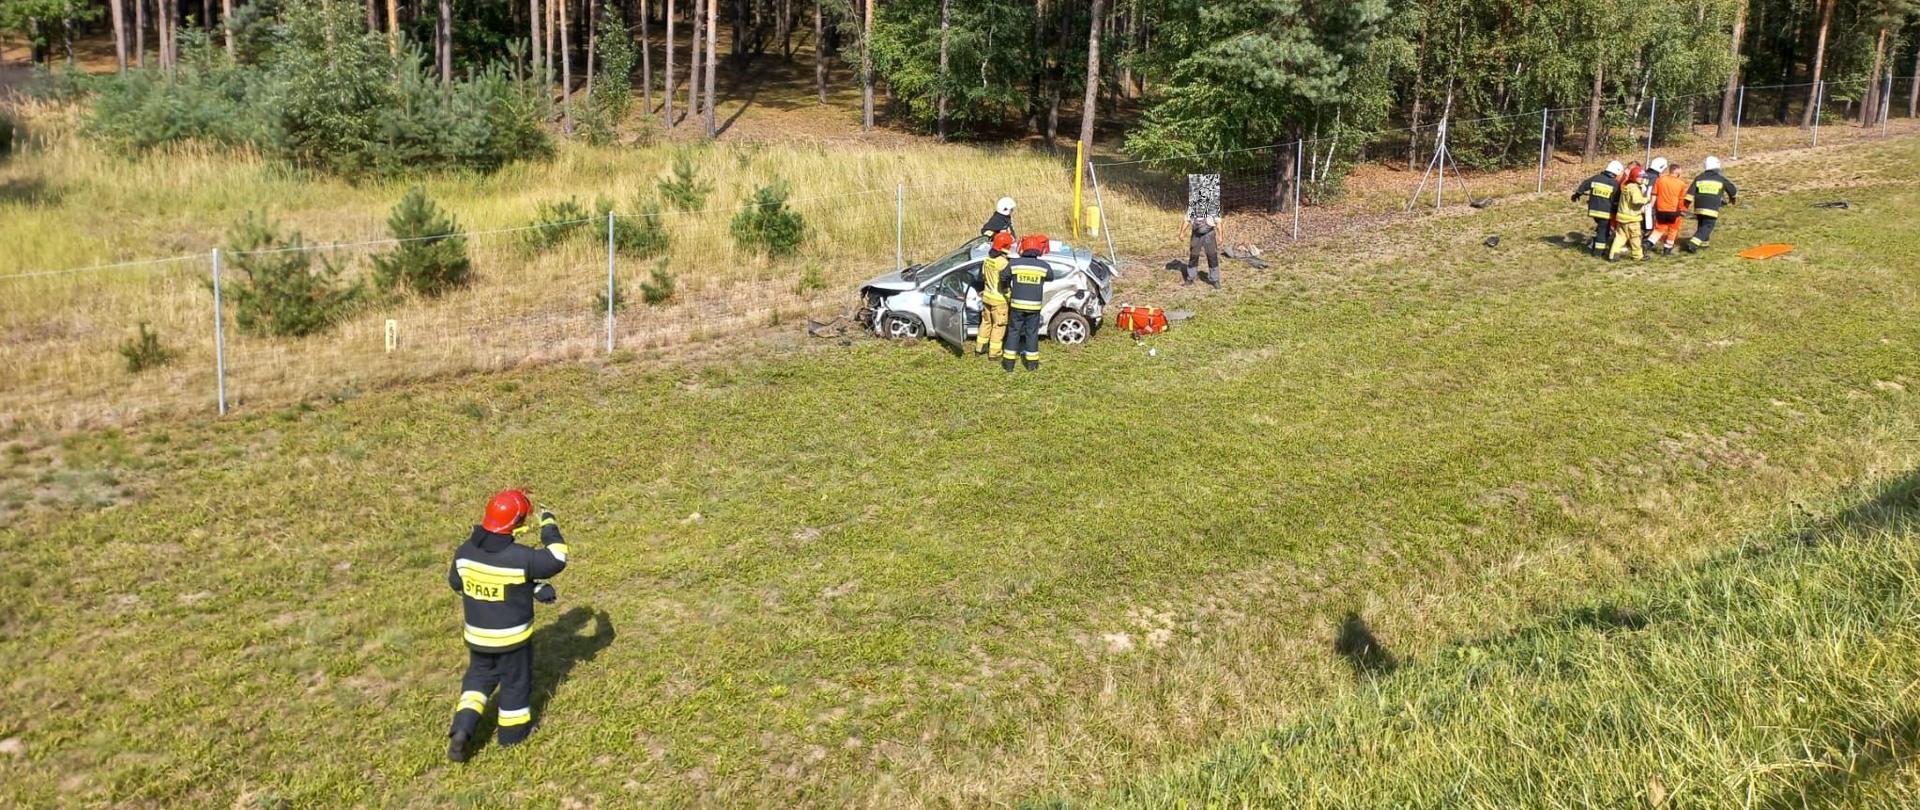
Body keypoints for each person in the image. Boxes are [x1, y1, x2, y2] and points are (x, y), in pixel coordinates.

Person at [446, 489, 571, 762]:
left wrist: (531, 587)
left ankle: (462, 729)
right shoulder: (519, 557)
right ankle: (513, 736)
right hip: (511, 640)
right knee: (515, 684)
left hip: (478, 637)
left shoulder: (465, 552)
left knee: (477, 680)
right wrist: (548, 524)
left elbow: (456, 584)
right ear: (516, 523)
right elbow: (557, 559)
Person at [1000, 234, 1057, 373]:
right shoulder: (1043, 266)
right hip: (1034, 307)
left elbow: (1003, 276)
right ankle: (1032, 365)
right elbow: (1051, 277)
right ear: (1038, 249)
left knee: (1013, 333)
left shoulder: (1014, 264)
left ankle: (1008, 364)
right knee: (1032, 334)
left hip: (1016, 306)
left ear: (1023, 248)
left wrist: (1007, 288)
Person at [1684, 156, 1738, 253]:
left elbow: (1689, 194)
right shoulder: (1720, 179)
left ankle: (1704, 244)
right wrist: (1732, 198)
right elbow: (1732, 190)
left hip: (1699, 207)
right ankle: (1692, 244)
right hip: (1711, 207)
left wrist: (1685, 206)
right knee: (1708, 226)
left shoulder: (1699, 178)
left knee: (1702, 225)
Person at [1572, 160, 1624, 257]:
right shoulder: (1615, 184)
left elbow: (1584, 185)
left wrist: (1577, 194)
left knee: (1602, 228)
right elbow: (1616, 200)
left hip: (1593, 210)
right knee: (1602, 231)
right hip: (1605, 212)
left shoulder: (1596, 178)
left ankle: (1596, 245)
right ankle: (1598, 252)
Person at [975, 231, 1014, 358]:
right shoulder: (1003, 263)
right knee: (999, 326)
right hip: (999, 299)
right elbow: (1005, 281)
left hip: (987, 296)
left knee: (986, 322)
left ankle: (980, 348)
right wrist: (1008, 294)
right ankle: (994, 353)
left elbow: (983, 276)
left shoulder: (987, 259)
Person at [1608, 165, 1650, 262]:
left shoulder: (1627, 186)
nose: (1642, 179)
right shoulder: (1634, 188)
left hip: (1622, 217)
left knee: (1620, 236)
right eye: (1640, 177)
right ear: (1634, 177)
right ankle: (1637, 256)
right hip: (1632, 218)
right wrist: (1647, 199)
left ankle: (1613, 254)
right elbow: (1636, 200)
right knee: (1635, 237)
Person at [1649, 159, 1689, 255]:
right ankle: (1667, 249)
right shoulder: (1681, 184)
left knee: (1659, 229)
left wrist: (1652, 207)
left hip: (1660, 209)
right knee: (1673, 229)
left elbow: (1654, 193)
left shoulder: (1660, 180)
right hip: (1673, 210)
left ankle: (1648, 243)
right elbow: (1681, 199)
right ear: (1677, 171)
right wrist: (1682, 210)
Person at [1180, 212, 1223, 288]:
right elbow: (1186, 220)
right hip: (1196, 235)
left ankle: (1215, 280)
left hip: (1209, 234)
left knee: (1212, 257)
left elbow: (1219, 222)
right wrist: (1182, 233)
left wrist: (1220, 236)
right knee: (1193, 256)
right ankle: (1190, 278)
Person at [1642, 156, 1667, 248]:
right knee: (1648, 225)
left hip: (1638, 202)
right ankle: (1644, 243)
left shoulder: (1643, 174)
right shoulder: (1656, 178)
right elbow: (1653, 193)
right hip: (1648, 204)